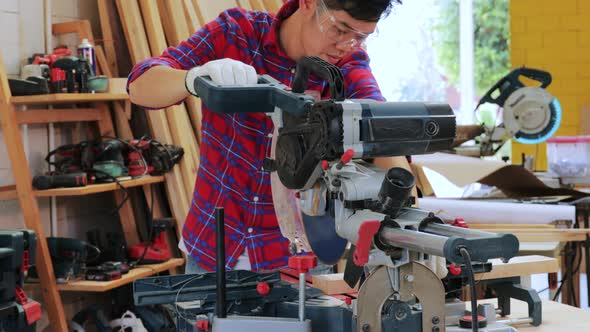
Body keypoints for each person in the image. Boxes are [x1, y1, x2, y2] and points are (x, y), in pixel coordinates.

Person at [127, 0, 410, 274]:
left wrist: (407, 223)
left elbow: (381, 132)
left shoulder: (348, 66)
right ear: (308, 3)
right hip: (212, 250)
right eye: (339, 29)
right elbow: (139, 86)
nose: (345, 46)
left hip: (299, 262)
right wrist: (193, 78)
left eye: (360, 37)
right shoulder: (236, 33)